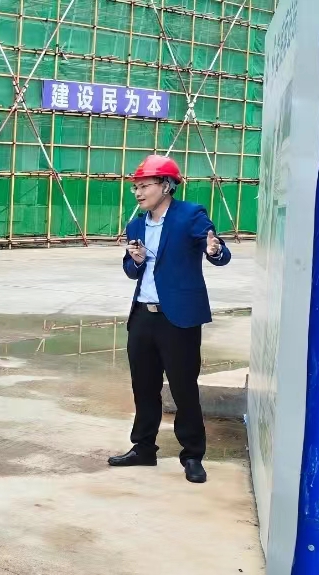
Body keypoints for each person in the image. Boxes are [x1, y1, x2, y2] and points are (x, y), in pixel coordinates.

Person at [109, 154, 231, 484]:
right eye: (135, 187)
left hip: (178, 319)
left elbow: (218, 252)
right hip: (142, 316)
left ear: (166, 186)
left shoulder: (190, 215)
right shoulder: (136, 225)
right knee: (143, 386)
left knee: (183, 388)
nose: (138, 192)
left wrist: (214, 249)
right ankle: (143, 448)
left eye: (144, 185)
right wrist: (135, 260)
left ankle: (192, 455)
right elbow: (131, 269)